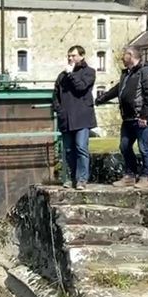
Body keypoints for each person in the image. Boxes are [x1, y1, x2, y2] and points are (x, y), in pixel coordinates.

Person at [95, 47, 148, 187]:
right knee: (124, 147)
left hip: (142, 118)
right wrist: (101, 99)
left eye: (123, 55)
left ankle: (146, 177)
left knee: (144, 148)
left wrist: (144, 115)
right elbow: (117, 90)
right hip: (128, 118)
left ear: (130, 56)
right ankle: (130, 176)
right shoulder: (127, 74)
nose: (121, 58)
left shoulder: (146, 71)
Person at [52, 45, 96, 189]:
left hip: (82, 117)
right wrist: (59, 110)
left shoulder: (89, 72)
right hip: (66, 118)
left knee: (81, 147)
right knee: (68, 150)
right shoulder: (62, 75)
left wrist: (71, 74)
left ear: (82, 56)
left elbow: (81, 87)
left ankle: (82, 179)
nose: (70, 58)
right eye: (69, 56)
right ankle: (70, 178)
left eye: (73, 55)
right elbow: (56, 95)